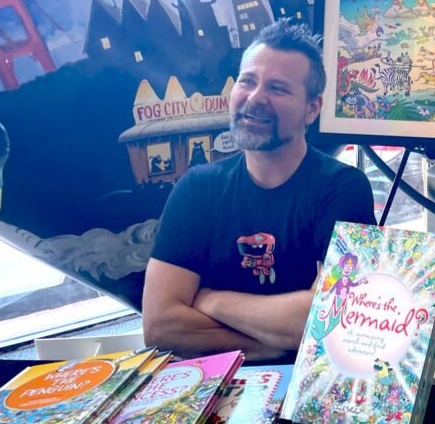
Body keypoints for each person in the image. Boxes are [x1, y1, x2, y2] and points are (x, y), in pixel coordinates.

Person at [142, 20, 376, 360]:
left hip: (303, 384)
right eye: (247, 81)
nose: (255, 98)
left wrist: (212, 300)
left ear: (312, 108)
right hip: (209, 382)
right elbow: (160, 326)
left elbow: (333, 319)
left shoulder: (343, 188)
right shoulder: (196, 189)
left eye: (277, 88)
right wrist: (275, 342)